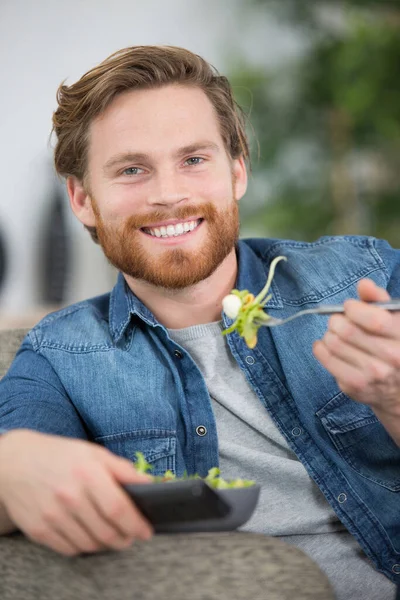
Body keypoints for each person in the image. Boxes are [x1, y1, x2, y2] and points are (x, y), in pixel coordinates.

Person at [0, 45, 399, 600]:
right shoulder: (60, 356)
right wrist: (9, 464)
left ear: (236, 171)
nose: (169, 194)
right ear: (83, 199)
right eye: (132, 169)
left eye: (194, 159)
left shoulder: (364, 276)